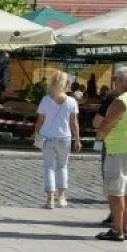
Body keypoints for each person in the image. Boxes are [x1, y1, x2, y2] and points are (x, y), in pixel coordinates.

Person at [92, 65, 127, 242]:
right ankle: (125, 227)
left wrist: (100, 135)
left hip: (119, 147)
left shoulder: (121, 101)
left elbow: (107, 123)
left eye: (116, 79)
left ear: (124, 81)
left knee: (116, 189)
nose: (114, 82)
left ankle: (117, 229)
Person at [31, 69, 80, 209]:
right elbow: (74, 123)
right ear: (66, 84)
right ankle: (62, 197)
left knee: (49, 168)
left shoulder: (46, 100)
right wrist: (77, 140)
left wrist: (36, 133)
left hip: (47, 137)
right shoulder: (71, 102)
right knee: (62, 167)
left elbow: (40, 120)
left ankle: (50, 199)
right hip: (65, 137)